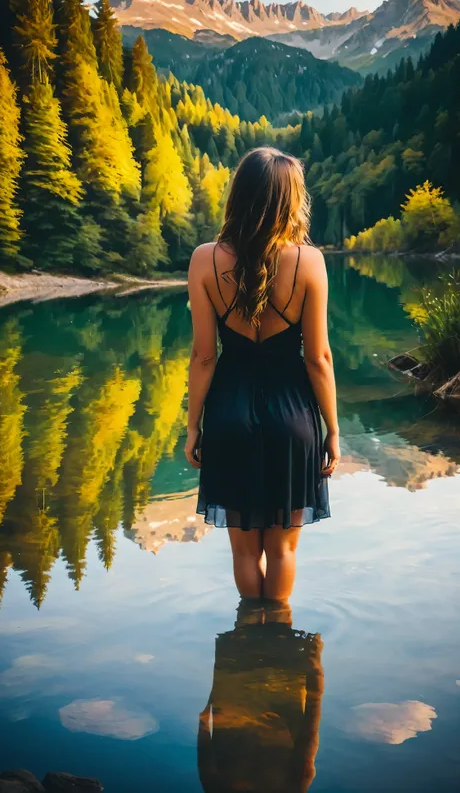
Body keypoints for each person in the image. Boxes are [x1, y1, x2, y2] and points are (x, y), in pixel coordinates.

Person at [186, 147, 340, 601]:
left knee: (243, 553)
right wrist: (333, 430)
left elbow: (203, 357)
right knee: (284, 551)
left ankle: (249, 638)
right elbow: (319, 359)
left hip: (229, 416)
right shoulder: (309, 262)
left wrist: (193, 426)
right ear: (289, 200)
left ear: (240, 195)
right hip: (293, 419)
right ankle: (275, 649)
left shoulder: (203, 260)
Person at [197, 599, 324, 793]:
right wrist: (315, 674)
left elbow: (309, 739)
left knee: (274, 614)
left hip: (264, 701)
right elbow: (309, 739)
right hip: (254, 702)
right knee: (257, 616)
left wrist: (316, 675)